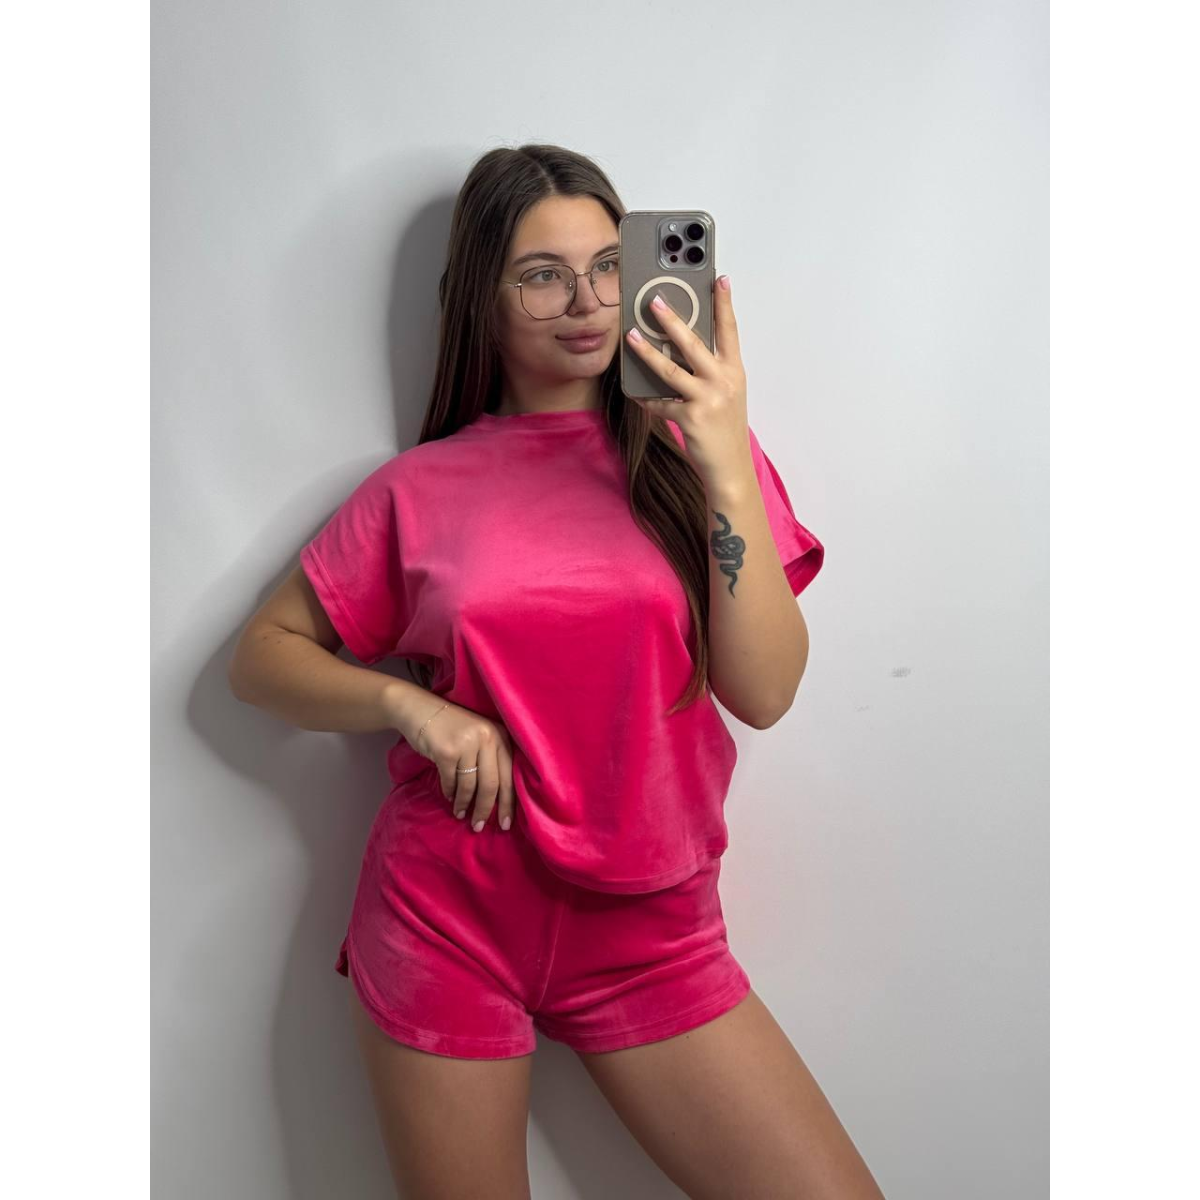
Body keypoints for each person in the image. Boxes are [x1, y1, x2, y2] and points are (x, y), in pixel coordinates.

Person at [228, 144, 885, 1200]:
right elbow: (261, 658)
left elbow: (764, 693)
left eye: (607, 266)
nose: (586, 302)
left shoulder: (700, 459)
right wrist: (410, 706)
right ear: (481, 301)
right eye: (542, 275)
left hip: (653, 931)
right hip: (448, 915)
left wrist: (721, 456)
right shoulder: (417, 490)